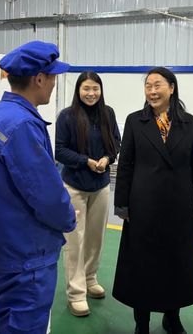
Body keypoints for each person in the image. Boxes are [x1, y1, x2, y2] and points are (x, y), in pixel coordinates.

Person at [0, 41, 76, 334]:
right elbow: (47, 197)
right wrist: (69, 217)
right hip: (26, 260)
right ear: (39, 79)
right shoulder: (23, 126)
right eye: (53, 77)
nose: (54, 84)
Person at [113, 67, 193, 334]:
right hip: (143, 205)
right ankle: (141, 322)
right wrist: (121, 202)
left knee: (175, 264)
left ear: (172, 88)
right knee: (142, 265)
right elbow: (126, 164)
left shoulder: (190, 124)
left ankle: (172, 317)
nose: (152, 91)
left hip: (179, 206)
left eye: (157, 85)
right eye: (148, 86)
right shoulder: (135, 121)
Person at [55, 71, 121, 317]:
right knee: (75, 241)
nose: (91, 93)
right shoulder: (67, 116)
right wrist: (86, 161)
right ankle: (76, 293)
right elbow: (60, 150)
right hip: (74, 187)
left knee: (95, 238)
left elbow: (116, 142)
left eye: (95, 88)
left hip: (101, 186)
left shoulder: (108, 114)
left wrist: (106, 158)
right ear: (78, 90)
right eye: (86, 89)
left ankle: (90, 278)